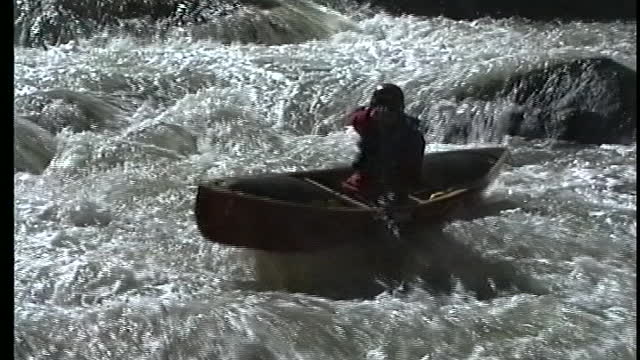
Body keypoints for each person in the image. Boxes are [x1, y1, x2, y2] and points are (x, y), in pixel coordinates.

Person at [341, 83, 426, 206]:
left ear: (398, 111)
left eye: (389, 112)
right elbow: (354, 117)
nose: (382, 115)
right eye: (378, 110)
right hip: (366, 180)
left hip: (395, 180)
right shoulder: (364, 119)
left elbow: (411, 172)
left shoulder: (411, 135)